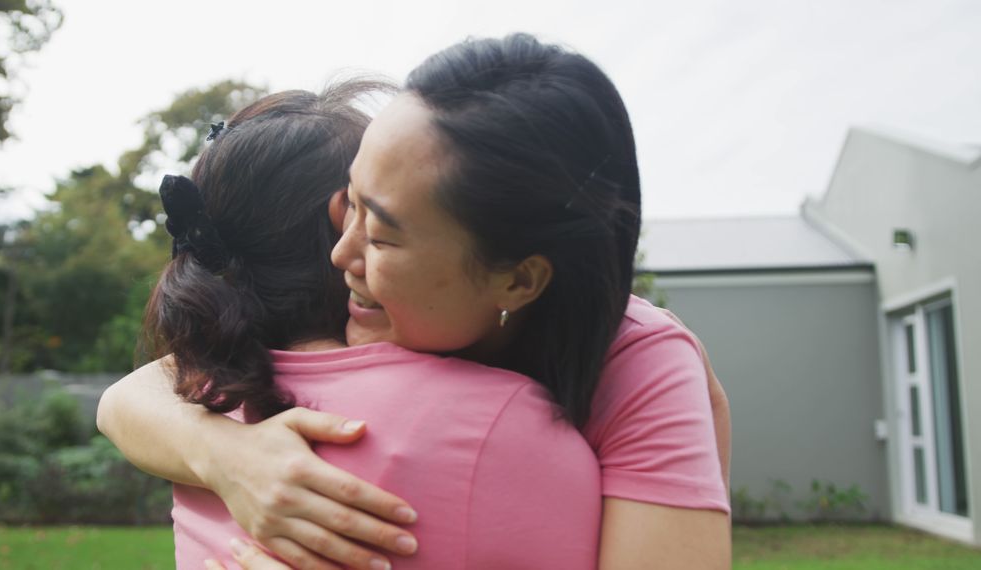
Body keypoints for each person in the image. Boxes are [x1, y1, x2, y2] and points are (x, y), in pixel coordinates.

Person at [99, 33, 731, 570]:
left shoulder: (636, 364)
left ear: (516, 281)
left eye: (381, 235)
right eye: (347, 204)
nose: (339, 256)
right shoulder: (341, 337)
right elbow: (129, 397)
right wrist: (226, 457)